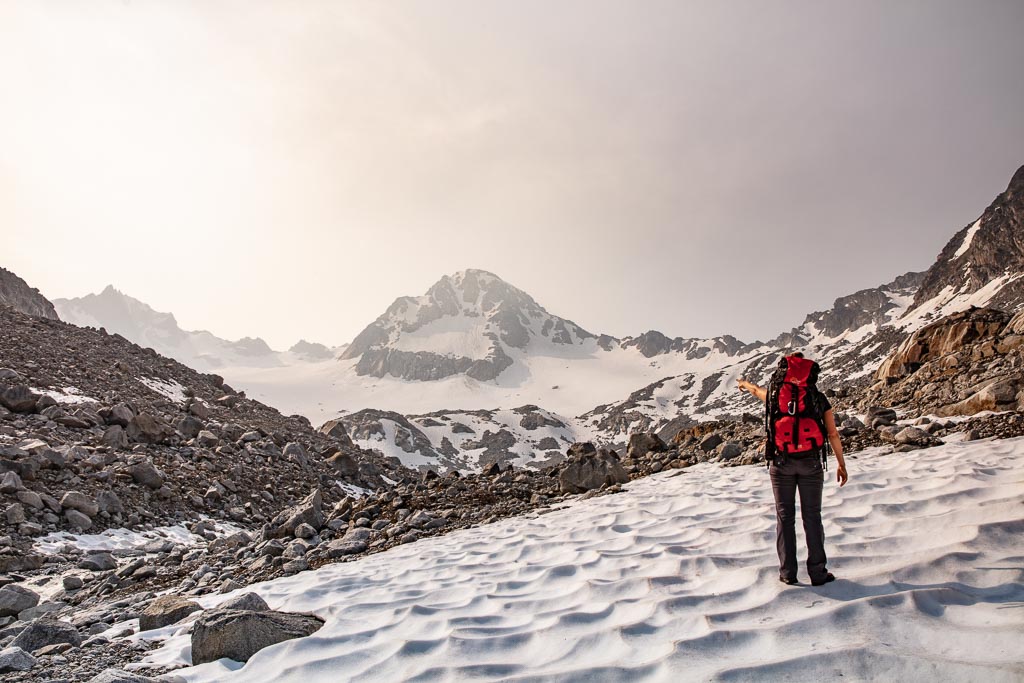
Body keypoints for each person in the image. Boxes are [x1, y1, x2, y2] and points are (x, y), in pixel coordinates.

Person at [737, 368, 848, 587]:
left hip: (781, 463)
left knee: (785, 517)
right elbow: (832, 433)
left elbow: (757, 391)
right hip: (811, 463)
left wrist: (744, 384)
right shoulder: (817, 397)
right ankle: (818, 573)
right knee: (812, 517)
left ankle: (788, 573)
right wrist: (841, 464)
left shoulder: (777, 394)